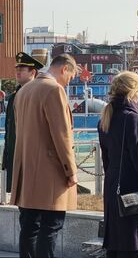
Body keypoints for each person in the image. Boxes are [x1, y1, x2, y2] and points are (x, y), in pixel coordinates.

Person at [10, 54, 79, 258]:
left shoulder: (24, 90)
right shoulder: (54, 90)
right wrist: (71, 170)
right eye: (70, 77)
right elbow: (62, 135)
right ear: (64, 69)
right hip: (50, 173)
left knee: (29, 227)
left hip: (27, 172)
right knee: (51, 226)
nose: (69, 82)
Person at [98, 71, 138, 258]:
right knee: (133, 245)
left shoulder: (106, 117)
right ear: (135, 91)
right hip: (132, 190)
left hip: (113, 185)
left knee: (115, 246)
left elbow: (106, 159)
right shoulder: (132, 117)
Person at [1, 52, 44, 196]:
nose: (18, 71)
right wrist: (6, 156)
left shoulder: (39, 95)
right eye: (17, 68)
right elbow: (9, 129)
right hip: (16, 155)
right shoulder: (13, 97)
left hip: (32, 158)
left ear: (33, 72)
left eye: (22, 68)